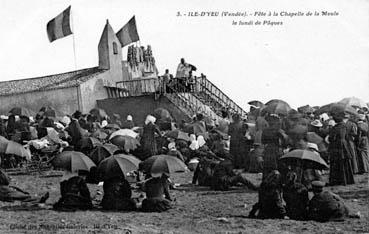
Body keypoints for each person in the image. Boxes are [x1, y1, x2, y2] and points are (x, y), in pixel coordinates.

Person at [328, 112, 355, 186]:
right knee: (345, 162)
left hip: (336, 146)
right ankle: (348, 179)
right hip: (344, 145)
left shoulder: (335, 128)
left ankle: (338, 180)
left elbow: (331, 138)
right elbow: (347, 136)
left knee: (336, 163)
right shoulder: (344, 126)